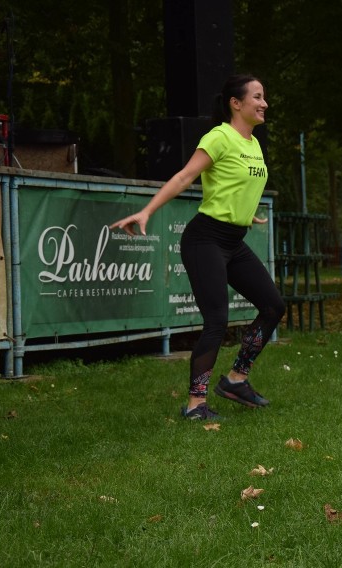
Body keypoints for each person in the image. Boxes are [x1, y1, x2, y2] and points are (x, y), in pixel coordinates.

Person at [111, 74, 285, 420]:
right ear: (236, 103)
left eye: (264, 97)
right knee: (216, 322)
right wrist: (147, 211)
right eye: (257, 97)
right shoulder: (219, 137)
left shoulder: (253, 143)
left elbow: (233, 184)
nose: (264, 103)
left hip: (233, 240)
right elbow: (184, 177)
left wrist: (244, 214)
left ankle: (236, 380)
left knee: (273, 305)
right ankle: (195, 404)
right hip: (205, 239)